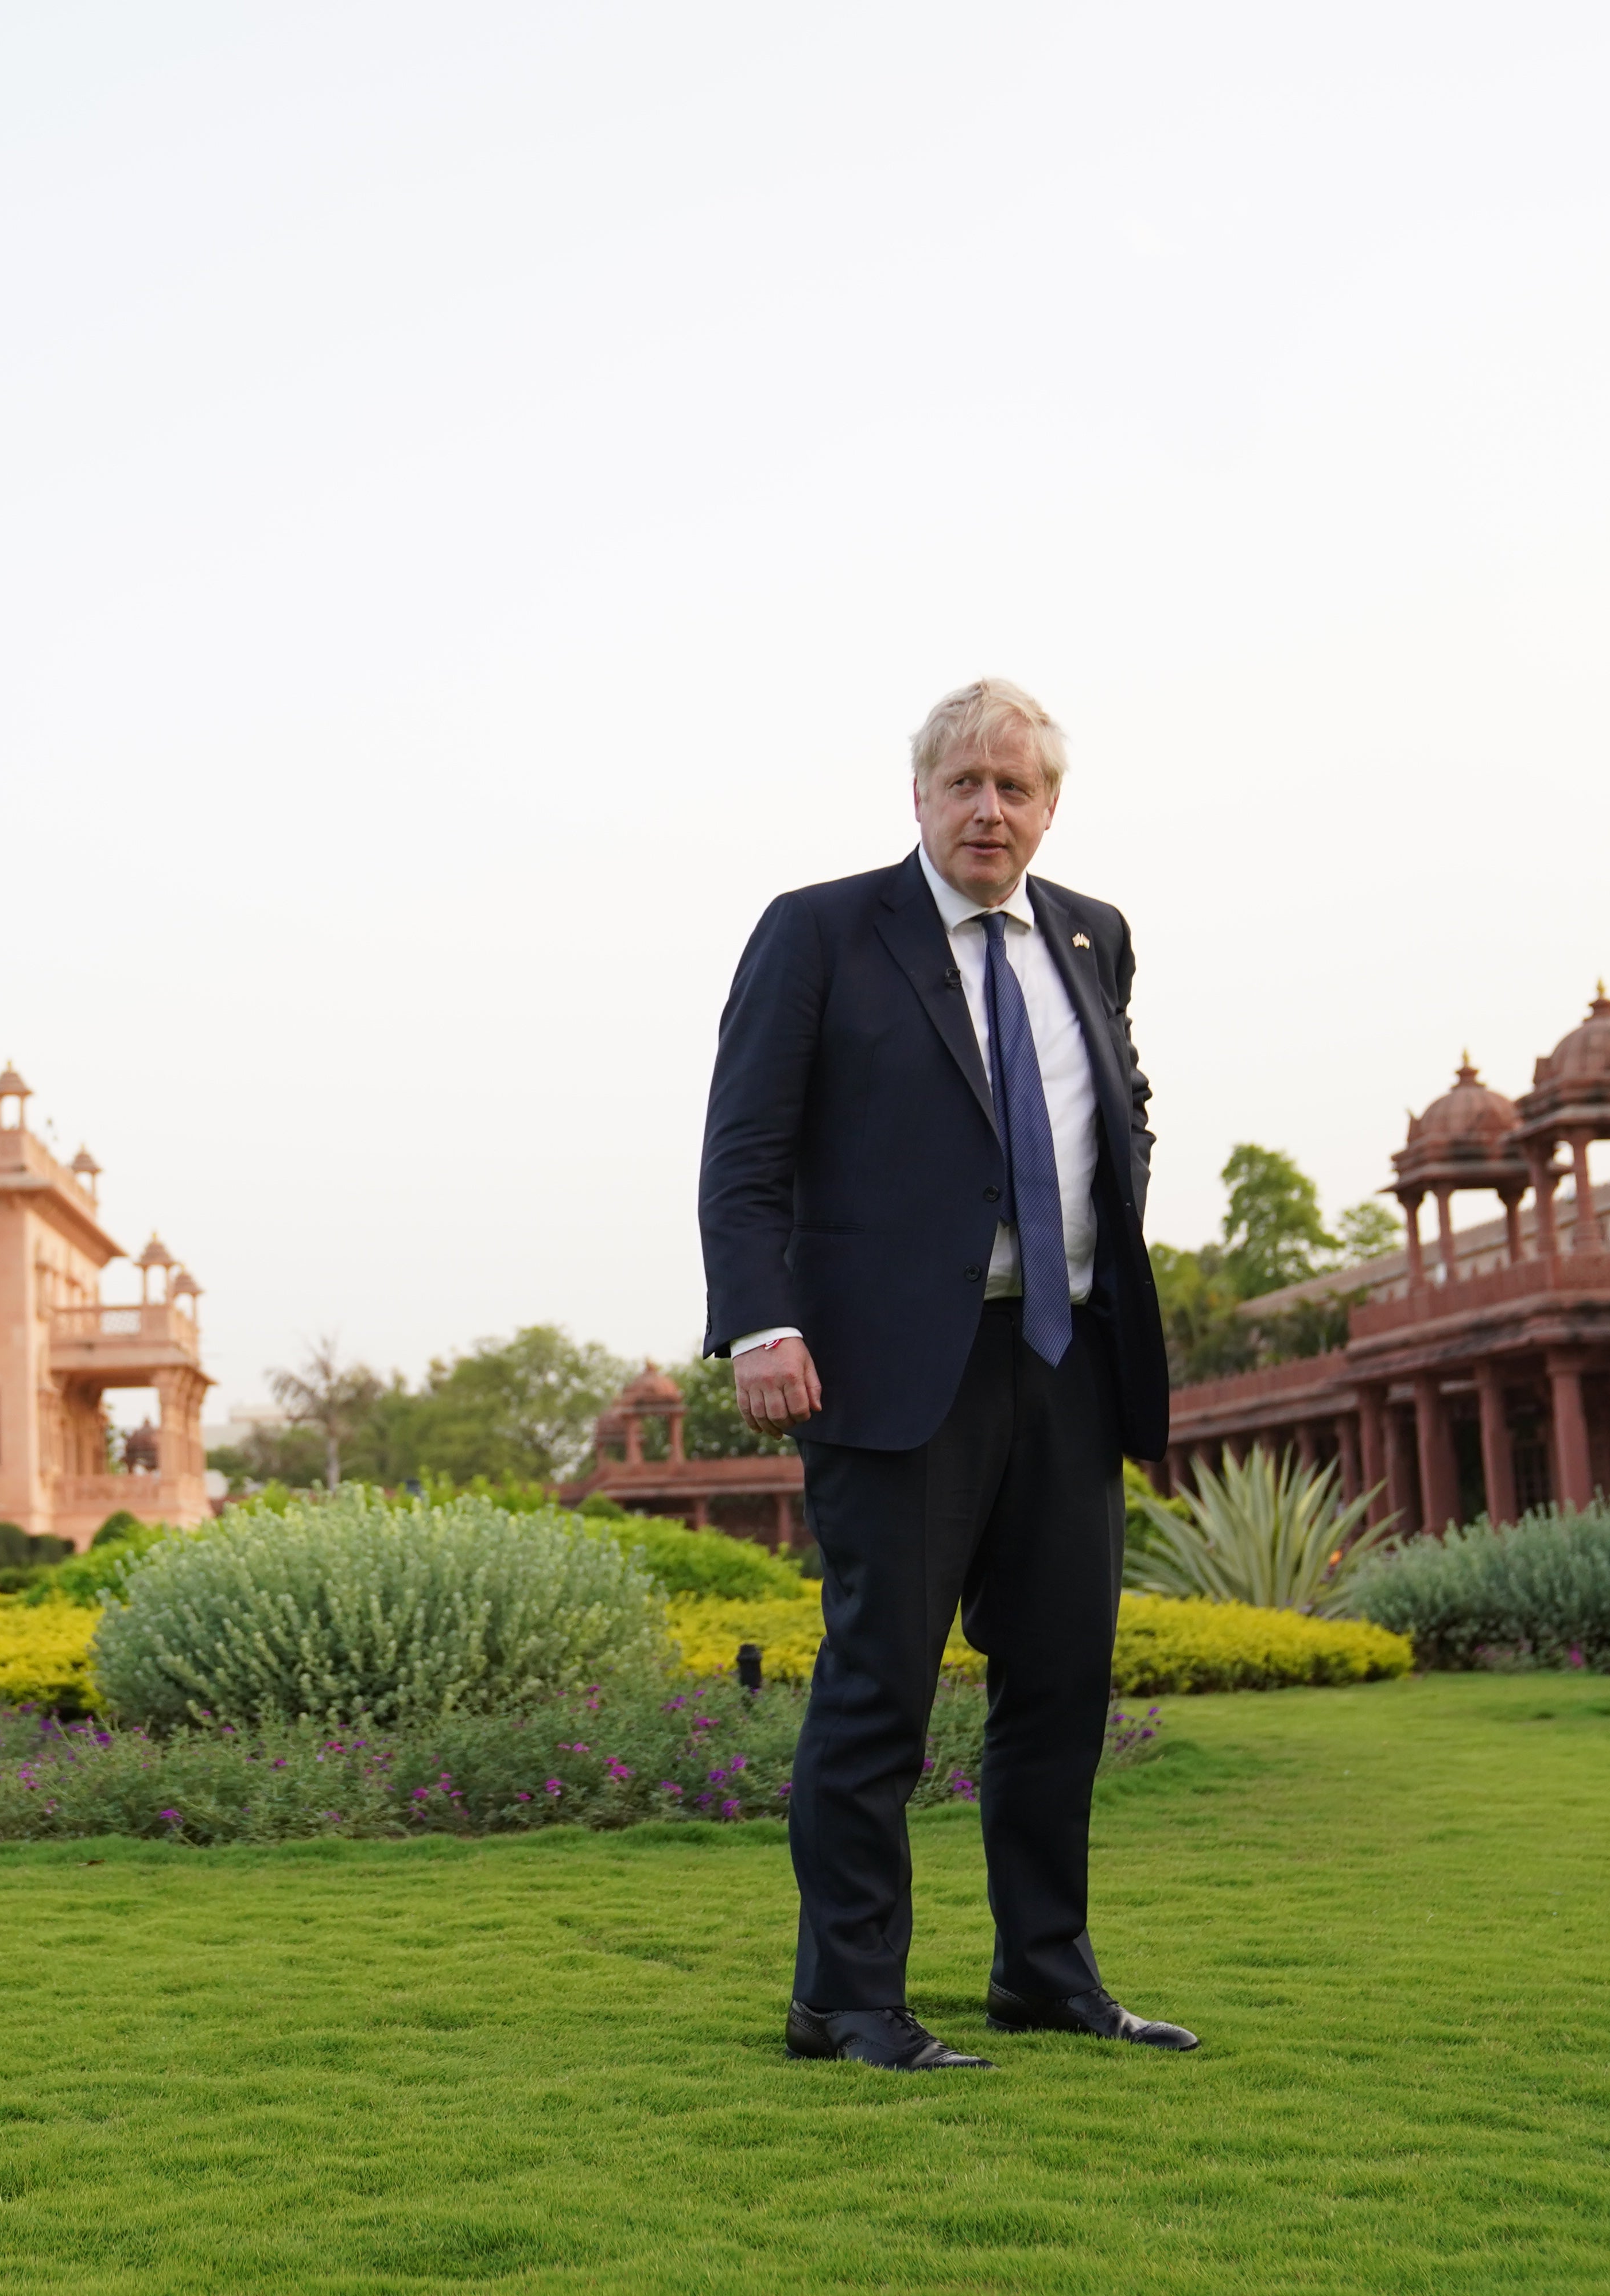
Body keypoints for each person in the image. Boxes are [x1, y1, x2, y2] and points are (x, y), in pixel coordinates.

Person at [697, 677, 1190, 2072]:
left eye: (1017, 786)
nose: (991, 807)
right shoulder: (821, 931)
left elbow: (1114, 1104)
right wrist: (763, 1324)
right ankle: (845, 1999)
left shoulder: (1095, 936)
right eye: (965, 782)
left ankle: (1046, 1974)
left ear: (1049, 805)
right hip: (894, 1366)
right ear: (918, 794)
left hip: (1070, 1350)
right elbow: (743, 1150)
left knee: (1062, 1685)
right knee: (879, 1689)